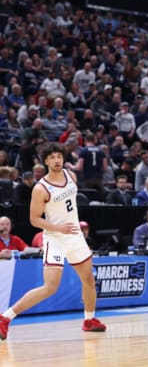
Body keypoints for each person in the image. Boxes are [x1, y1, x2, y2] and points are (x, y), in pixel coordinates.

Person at [0, 144, 106, 341]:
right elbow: (34, 219)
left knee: (89, 280)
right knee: (50, 287)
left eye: (59, 156)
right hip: (55, 238)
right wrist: (59, 228)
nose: (57, 160)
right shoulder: (41, 188)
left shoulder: (70, 176)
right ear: (46, 161)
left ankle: (89, 320)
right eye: (53, 157)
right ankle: (5, 318)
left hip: (74, 236)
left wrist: (69, 227)